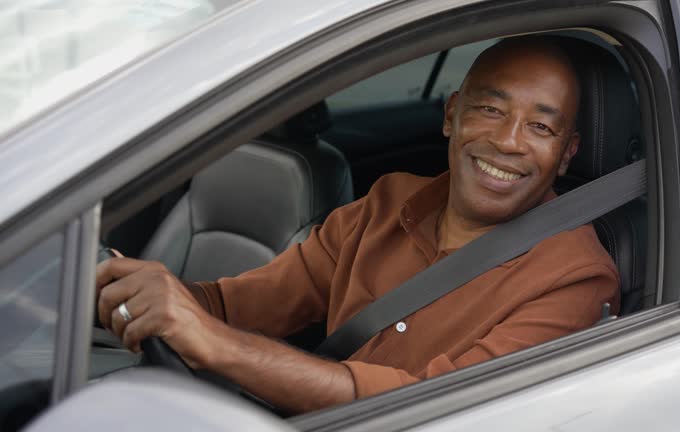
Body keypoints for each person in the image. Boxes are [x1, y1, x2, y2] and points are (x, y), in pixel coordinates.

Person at [96, 36, 619, 414]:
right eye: (488, 109)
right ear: (451, 115)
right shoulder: (388, 202)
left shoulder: (575, 277)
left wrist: (216, 343)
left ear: (566, 153)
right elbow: (239, 304)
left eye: (541, 126)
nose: (508, 141)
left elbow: (435, 406)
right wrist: (143, 294)